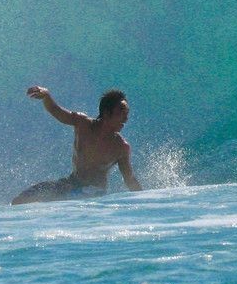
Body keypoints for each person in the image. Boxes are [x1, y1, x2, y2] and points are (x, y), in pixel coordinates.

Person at [11, 86, 142, 205]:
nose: (126, 119)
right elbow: (57, 111)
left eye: (127, 114)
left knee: (62, 200)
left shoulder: (121, 147)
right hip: (71, 184)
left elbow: (129, 179)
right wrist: (46, 96)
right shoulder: (82, 124)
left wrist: (144, 202)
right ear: (107, 113)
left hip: (94, 193)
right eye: (122, 113)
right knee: (19, 201)